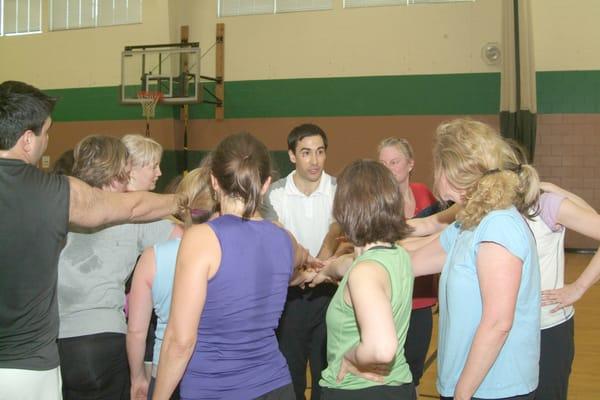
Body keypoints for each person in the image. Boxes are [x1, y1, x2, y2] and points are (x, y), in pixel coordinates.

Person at [0, 80, 182, 400]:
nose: (47, 141)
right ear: (27, 140)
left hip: (59, 344)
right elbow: (130, 207)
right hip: (29, 363)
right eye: (46, 133)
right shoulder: (52, 192)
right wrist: (183, 202)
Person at [152, 132, 313, 400]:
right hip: (276, 387)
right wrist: (312, 262)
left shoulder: (201, 239)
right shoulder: (283, 239)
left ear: (214, 181)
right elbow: (300, 257)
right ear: (266, 185)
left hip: (215, 390)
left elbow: (180, 341)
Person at [409, 119, 541, 399]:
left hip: (491, 389)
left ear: (450, 169)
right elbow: (412, 263)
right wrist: (359, 257)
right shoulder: (468, 221)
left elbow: (497, 323)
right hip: (465, 384)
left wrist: (463, 393)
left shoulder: (498, 224)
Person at [56, 135, 181, 400]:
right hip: (103, 338)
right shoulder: (131, 216)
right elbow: (186, 238)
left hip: (57, 342)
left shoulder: (62, 204)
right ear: (118, 175)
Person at [318, 160, 415, 400]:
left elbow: (382, 349)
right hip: (398, 387)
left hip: (359, 391)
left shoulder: (365, 273)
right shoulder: (397, 255)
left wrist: (351, 358)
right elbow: (349, 264)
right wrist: (324, 270)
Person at [127, 164, 216, 400]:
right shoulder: (227, 252)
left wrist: (137, 377)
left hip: (165, 370)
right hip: (216, 372)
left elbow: (137, 330)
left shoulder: (152, 257)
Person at [263, 123, 338, 400]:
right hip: (289, 295)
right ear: (292, 156)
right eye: (306, 153)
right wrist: (307, 266)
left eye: (320, 152)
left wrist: (320, 262)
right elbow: (279, 237)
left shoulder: (337, 188)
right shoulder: (275, 193)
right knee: (291, 373)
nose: (315, 160)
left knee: (325, 373)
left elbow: (337, 230)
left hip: (328, 292)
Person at [378, 137, 438, 391]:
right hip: (389, 302)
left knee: (413, 373)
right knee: (388, 372)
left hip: (421, 301)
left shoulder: (424, 193)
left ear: (410, 164)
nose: (389, 168)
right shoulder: (377, 202)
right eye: (383, 163)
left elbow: (441, 240)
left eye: (395, 162)